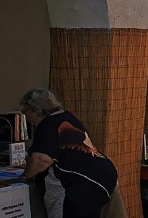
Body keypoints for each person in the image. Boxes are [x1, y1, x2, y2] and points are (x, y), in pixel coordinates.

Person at [18, 89, 117, 218]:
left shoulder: (48, 125)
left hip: (80, 183)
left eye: (25, 112)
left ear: (36, 110)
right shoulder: (65, 116)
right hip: (102, 176)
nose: (26, 117)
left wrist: (26, 176)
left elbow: (41, 160)